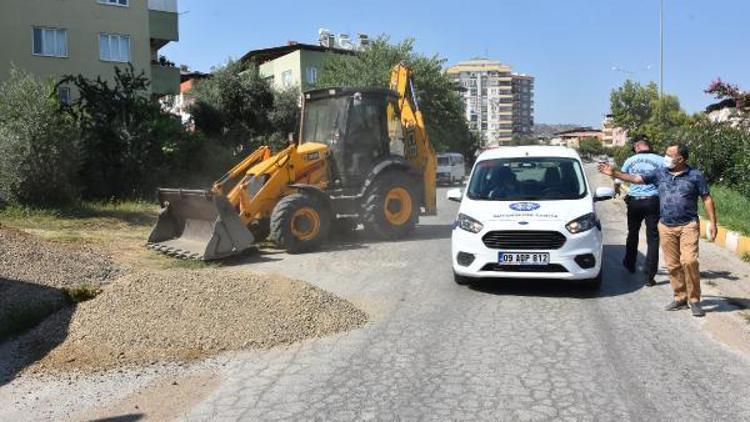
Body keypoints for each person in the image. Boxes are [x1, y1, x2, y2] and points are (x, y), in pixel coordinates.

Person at [598, 143, 718, 317]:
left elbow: (706, 198)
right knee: (673, 265)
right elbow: (637, 179)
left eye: (670, 154)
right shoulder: (660, 173)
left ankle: (694, 300)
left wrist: (713, 223)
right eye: (666, 153)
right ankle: (680, 298)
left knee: (690, 261)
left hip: (688, 225)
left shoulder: (695, 176)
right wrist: (615, 173)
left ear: (681, 159)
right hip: (666, 225)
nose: (666, 157)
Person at [616, 136, 664, 286]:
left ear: (637, 147)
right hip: (653, 201)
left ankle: (630, 264)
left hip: (634, 201)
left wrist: (616, 188)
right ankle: (649, 276)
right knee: (653, 238)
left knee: (633, 233)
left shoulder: (630, 160)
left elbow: (619, 178)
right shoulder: (660, 160)